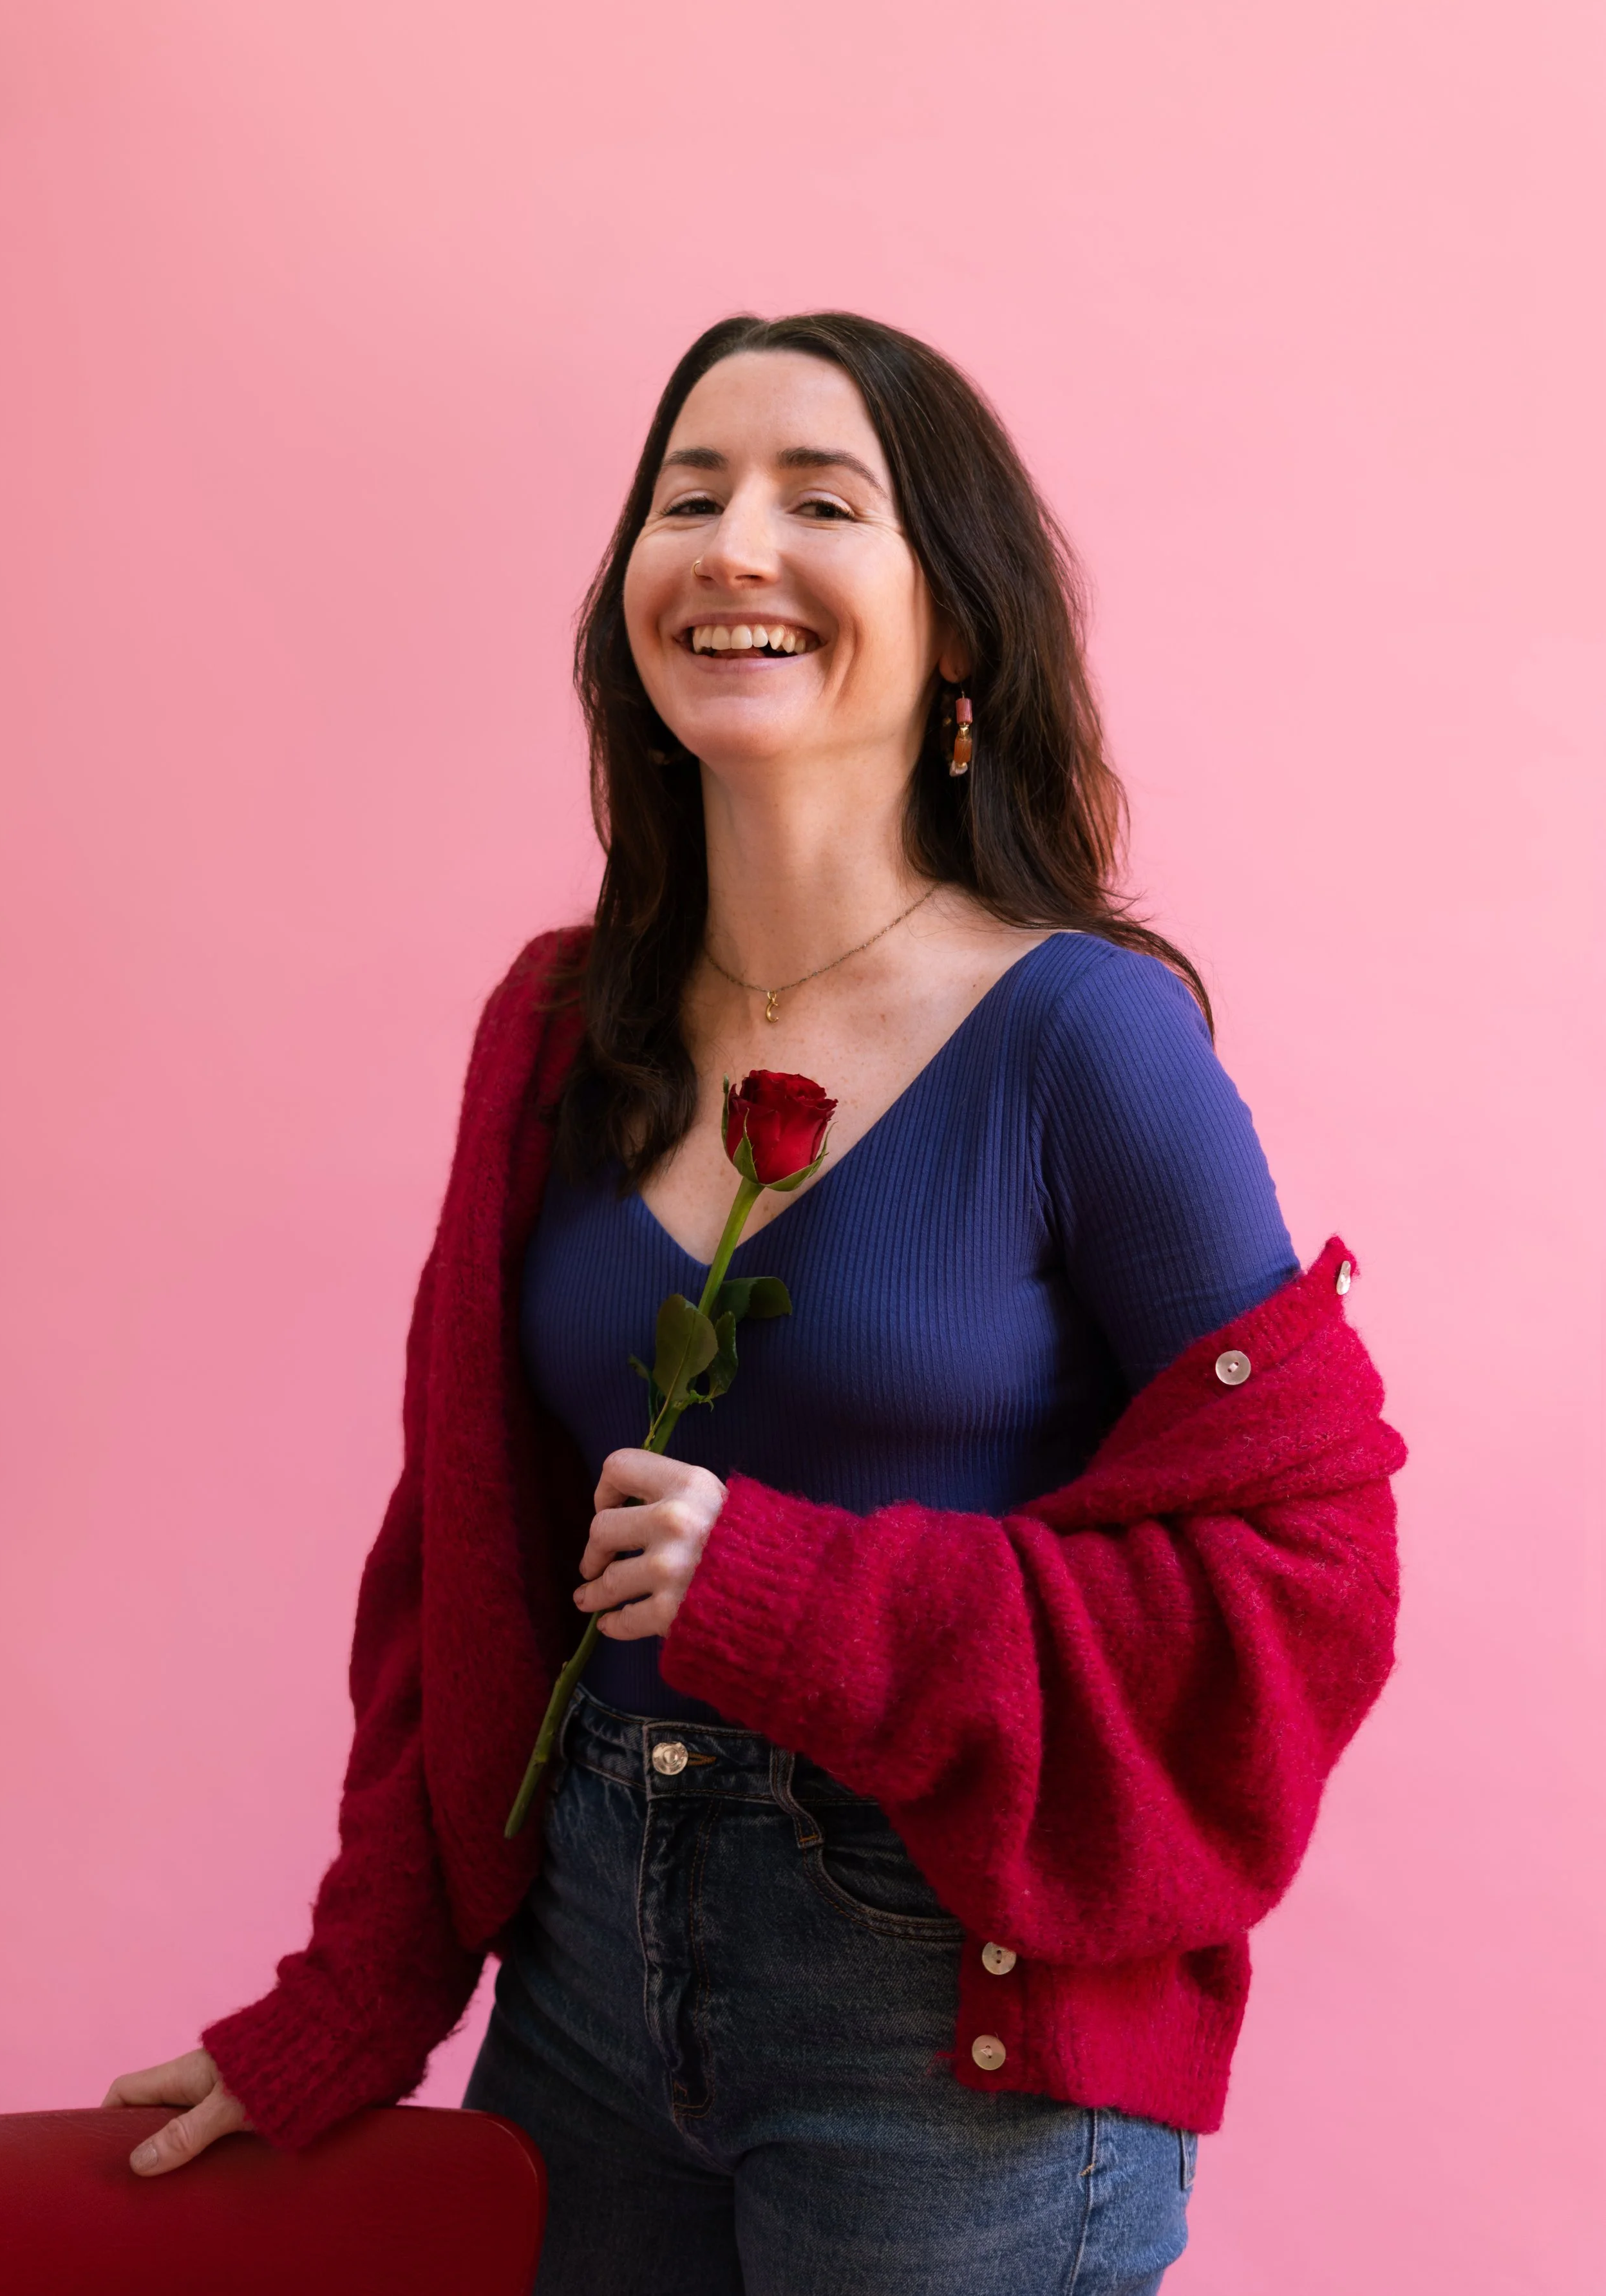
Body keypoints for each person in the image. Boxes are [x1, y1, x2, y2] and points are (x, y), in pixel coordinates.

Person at [105, 312, 1404, 2295]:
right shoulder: (553, 1028)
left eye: (821, 498)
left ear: (954, 628)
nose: (731, 545)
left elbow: (1305, 1575)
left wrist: (802, 1597)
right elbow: (456, 1561)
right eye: (685, 494)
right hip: (581, 1990)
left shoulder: (1088, 1042)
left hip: (943, 2019)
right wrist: (360, 1993)